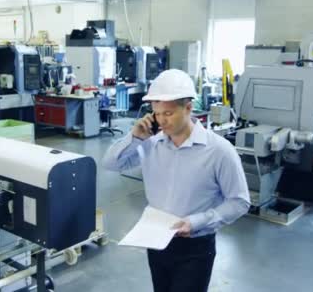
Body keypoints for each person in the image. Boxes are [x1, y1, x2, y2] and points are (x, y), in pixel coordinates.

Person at [102, 69, 250, 292]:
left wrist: (198, 221)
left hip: (195, 248)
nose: (161, 120)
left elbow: (239, 201)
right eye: (157, 113)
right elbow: (111, 163)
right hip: (157, 240)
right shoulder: (151, 143)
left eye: (168, 113)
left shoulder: (218, 151)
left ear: (188, 108)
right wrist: (134, 137)